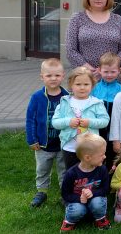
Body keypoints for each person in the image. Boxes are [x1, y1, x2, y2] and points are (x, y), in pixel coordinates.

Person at [25, 58, 69, 208]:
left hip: (63, 143)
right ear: (42, 77)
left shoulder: (67, 97)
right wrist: (32, 139)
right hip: (43, 144)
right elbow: (30, 119)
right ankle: (41, 192)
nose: (53, 79)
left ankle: (65, 193)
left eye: (57, 75)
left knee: (64, 170)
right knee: (42, 169)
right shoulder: (37, 97)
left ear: (63, 76)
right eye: (49, 75)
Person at [66, 0, 121, 79]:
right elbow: (71, 50)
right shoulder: (77, 19)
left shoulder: (118, 20)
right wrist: (88, 68)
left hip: (112, 78)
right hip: (85, 78)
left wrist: (109, 68)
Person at [52, 67, 110, 169]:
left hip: (91, 148)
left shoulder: (96, 103)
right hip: (70, 147)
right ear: (71, 85)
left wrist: (90, 122)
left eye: (86, 84)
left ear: (92, 85)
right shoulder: (65, 102)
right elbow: (55, 122)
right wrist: (68, 122)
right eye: (78, 84)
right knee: (72, 172)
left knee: (91, 172)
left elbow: (105, 120)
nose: (82, 87)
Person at [59, 133, 111, 231]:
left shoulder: (102, 169)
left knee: (98, 203)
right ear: (87, 158)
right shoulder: (71, 173)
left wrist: (93, 193)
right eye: (101, 154)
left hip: (95, 199)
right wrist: (79, 198)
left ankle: (100, 219)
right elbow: (65, 194)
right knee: (77, 210)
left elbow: (106, 189)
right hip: (77, 202)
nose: (105, 157)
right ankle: (69, 221)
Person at [91, 52, 121, 170]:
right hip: (98, 127)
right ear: (99, 70)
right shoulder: (94, 88)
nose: (109, 75)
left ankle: (110, 178)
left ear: (119, 70)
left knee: (112, 153)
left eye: (113, 71)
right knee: (97, 151)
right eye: (106, 71)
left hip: (114, 127)